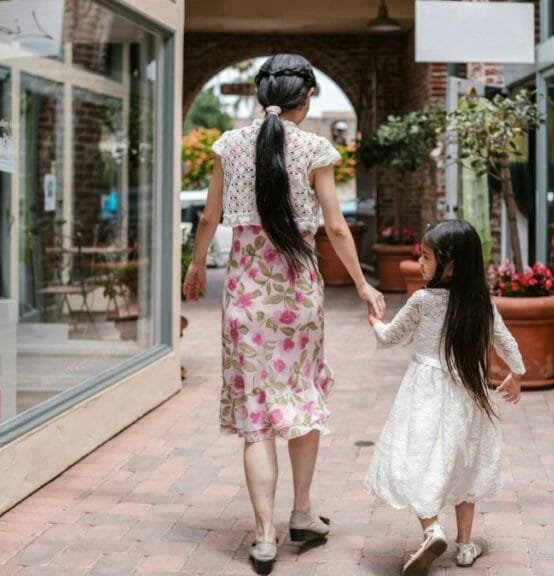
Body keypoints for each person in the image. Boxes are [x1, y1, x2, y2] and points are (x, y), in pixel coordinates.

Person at [182, 54, 385, 576]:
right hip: (298, 302)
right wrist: (363, 285)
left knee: (257, 416)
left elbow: (209, 217)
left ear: (261, 94)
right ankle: (302, 512)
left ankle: (264, 536)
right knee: (300, 399)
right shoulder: (314, 149)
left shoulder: (229, 145)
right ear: (307, 97)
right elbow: (336, 227)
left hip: (246, 303)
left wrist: (197, 265)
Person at [365, 220, 525, 576]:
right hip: (467, 394)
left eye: (426, 257)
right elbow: (506, 342)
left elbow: (390, 337)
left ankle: (432, 530)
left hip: (424, 393)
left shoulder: (422, 301)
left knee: (419, 460)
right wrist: (517, 374)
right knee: (464, 466)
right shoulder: (481, 304)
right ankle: (465, 546)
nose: (419, 263)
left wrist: (375, 321)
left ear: (450, 264)